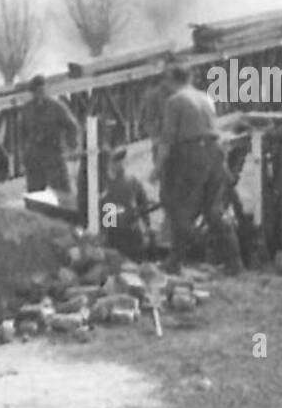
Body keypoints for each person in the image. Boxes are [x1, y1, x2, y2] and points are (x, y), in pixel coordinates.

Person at [154, 63, 242, 274]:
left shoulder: (175, 101)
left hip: (192, 154)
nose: (164, 83)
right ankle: (234, 262)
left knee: (180, 207)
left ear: (172, 79)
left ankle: (176, 261)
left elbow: (167, 138)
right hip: (215, 153)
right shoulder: (205, 98)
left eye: (166, 79)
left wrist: (158, 167)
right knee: (214, 211)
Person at [20, 75, 79, 194]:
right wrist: (24, 152)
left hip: (54, 154)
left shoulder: (56, 107)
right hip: (34, 157)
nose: (39, 94)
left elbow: (72, 125)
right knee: (35, 195)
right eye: (36, 92)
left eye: (41, 91)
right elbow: (21, 132)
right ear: (32, 93)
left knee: (63, 192)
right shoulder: (27, 109)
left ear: (46, 90)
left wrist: (71, 142)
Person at [100, 147, 151, 259]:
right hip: (133, 235)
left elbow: (108, 222)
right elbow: (144, 207)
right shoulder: (133, 181)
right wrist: (146, 229)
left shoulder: (109, 188)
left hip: (118, 237)